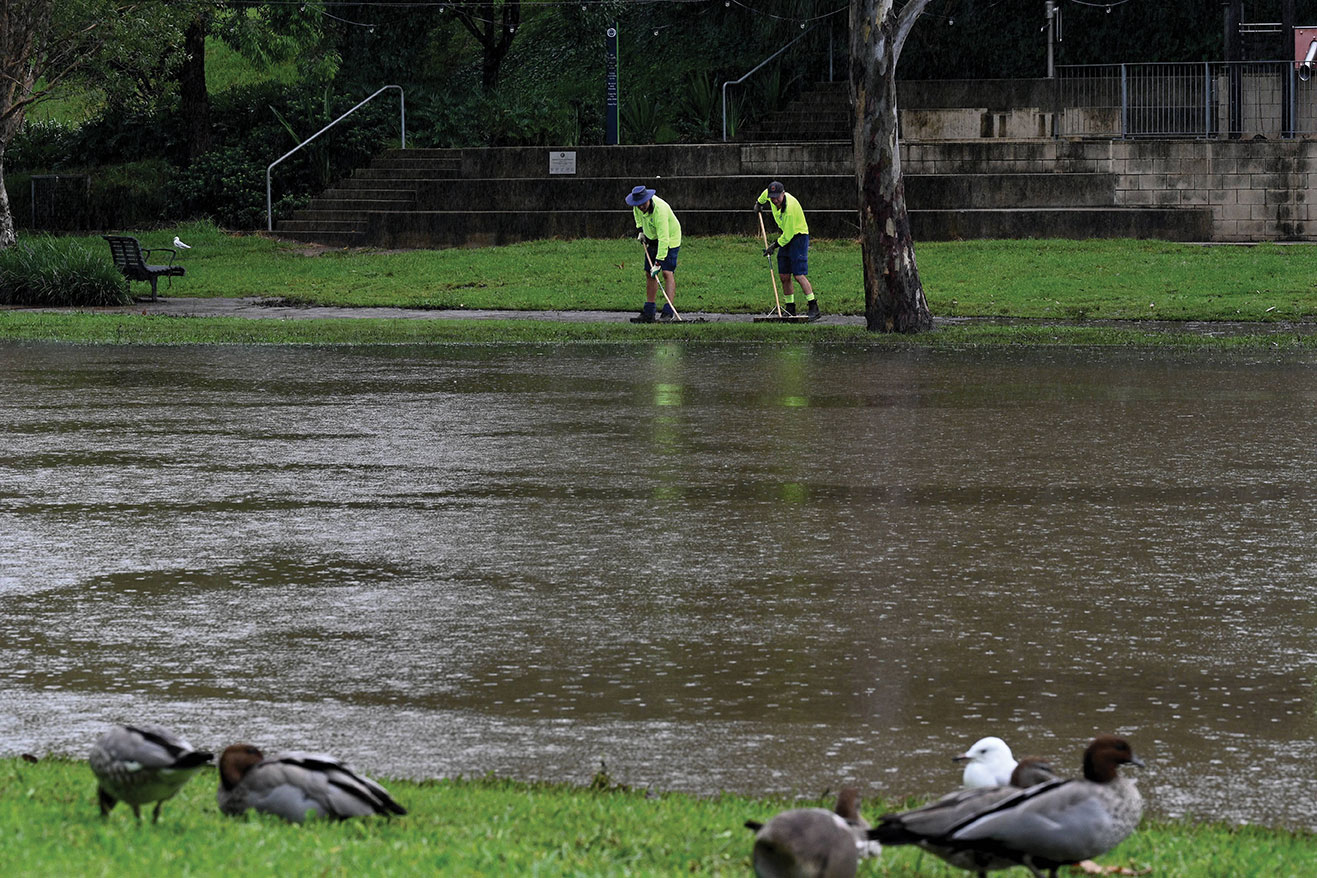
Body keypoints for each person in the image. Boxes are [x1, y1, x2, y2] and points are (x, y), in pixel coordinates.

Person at [756, 180, 820, 321]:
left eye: (777, 198)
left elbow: (789, 235)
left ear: (783, 194)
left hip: (798, 236)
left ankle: (813, 306)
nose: (774, 201)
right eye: (772, 198)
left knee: (798, 274)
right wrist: (758, 204)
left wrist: (773, 246)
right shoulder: (769, 195)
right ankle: (790, 308)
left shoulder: (789, 209)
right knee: (784, 275)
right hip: (785, 235)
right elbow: (763, 195)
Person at [625, 184, 681, 323]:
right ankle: (649, 311)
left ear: (648, 199)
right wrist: (640, 230)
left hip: (670, 239)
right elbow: (637, 216)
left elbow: (664, 238)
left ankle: (668, 312)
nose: (641, 207)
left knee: (666, 272)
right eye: (638, 204)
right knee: (649, 274)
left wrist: (658, 263)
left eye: (643, 204)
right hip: (652, 237)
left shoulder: (660, 211)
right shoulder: (637, 205)